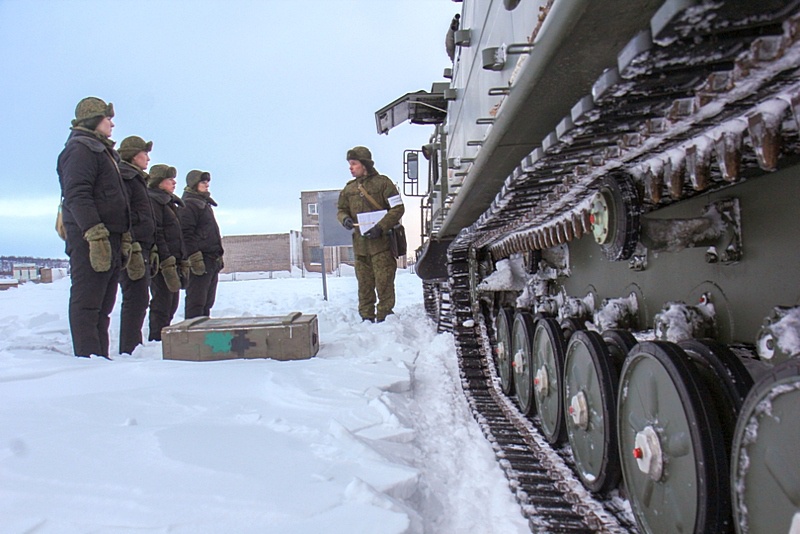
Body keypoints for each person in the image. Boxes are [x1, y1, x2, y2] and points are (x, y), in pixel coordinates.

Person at [57, 96, 130, 358]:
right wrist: (94, 233)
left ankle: (100, 358)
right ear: (93, 119)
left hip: (109, 235)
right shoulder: (80, 149)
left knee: (103, 306)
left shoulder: (101, 151)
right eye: (107, 118)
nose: (112, 123)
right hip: (91, 238)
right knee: (88, 302)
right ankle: (87, 361)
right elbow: (77, 194)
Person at [337, 146, 405, 322]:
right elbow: (341, 209)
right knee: (364, 285)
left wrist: (381, 227)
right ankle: (366, 318)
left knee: (384, 284)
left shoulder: (383, 183)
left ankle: (385, 318)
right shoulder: (349, 189)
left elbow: (398, 208)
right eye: (350, 164)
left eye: (354, 164)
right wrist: (345, 219)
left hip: (382, 245)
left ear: (364, 164)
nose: (350, 168)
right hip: (360, 247)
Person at [117, 136, 156, 354]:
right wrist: (130, 244)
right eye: (145, 153)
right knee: (135, 298)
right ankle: (129, 348)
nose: (148, 158)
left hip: (143, 247)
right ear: (134, 154)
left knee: (141, 298)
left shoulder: (137, 179)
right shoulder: (126, 177)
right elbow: (124, 213)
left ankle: (134, 346)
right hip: (134, 247)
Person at [147, 164, 185, 340]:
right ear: (160, 182)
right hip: (163, 261)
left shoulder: (169, 202)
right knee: (162, 302)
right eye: (170, 179)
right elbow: (158, 231)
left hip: (174, 259)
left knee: (172, 302)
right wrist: (165, 257)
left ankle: (164, 335)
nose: (174, 182)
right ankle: (157, 338)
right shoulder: (154, 201)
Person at [180, 170, 224, 319]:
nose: (207, 185)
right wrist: (194, 257)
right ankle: (192, 334)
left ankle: (203, 333)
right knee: (196, 301)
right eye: (203, 182)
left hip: (211, 258)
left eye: (207, 182)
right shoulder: (189, 205)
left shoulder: (203, 204)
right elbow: (185, 234)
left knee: (207, 301)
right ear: (194, 184)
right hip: (200, 258)